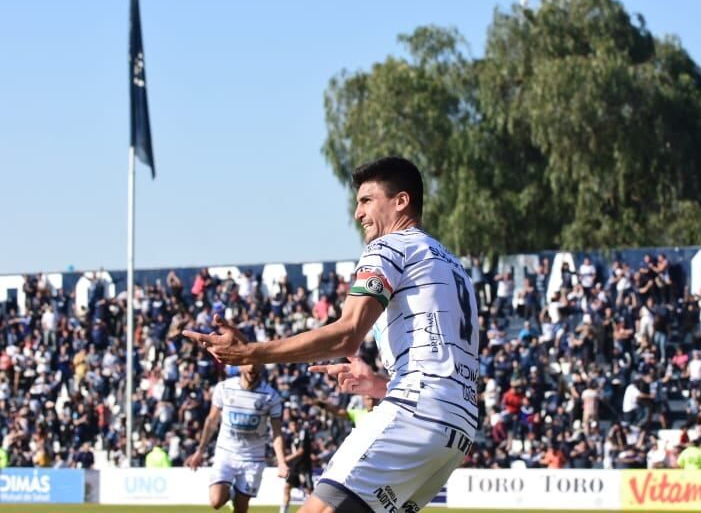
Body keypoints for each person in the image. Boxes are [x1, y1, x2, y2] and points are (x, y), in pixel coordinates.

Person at [184, 156, 480, 513]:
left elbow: (347, 335)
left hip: (415, 413)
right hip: (456, 428)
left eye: (366, 200)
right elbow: (443, 365)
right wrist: (378, 386)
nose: (358, 213)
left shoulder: (389, 247)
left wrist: (251, 352)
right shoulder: (452, 265)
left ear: (401, 201)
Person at [185, 364, 288, 513]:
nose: (252, 368)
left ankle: (237, 496)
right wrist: (200, 451)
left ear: (262, 367)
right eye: (248, 363)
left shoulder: (271, 396)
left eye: (256, 364)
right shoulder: (224, 388)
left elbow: (277, 433)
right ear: (240, 366)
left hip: (253, 458)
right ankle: (232, 493)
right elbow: (211, 421)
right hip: (226, 453)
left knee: (241, 508)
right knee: (216, 501)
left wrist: (282, 463)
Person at [281, 419, 314, 513]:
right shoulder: (291, 436)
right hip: (295, 466)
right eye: (292, 425)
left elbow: (301, 451)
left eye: (295, 424)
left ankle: (313, 510)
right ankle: (284, 511)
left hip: (304, 467)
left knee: (310, 491)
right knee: (287, 487)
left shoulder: (303, 433)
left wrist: (287, 458)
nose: (293, 427)